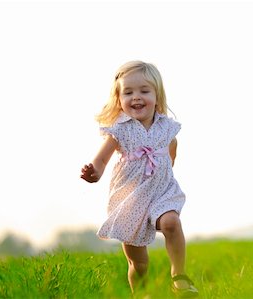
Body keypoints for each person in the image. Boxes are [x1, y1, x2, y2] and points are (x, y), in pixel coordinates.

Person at [80, 60, 198, 298]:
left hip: (161, 193)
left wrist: (162, 172)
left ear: (157, 95)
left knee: (171, 223)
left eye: (144, 91)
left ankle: (179, 276)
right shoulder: (120, 130)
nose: (136, 97)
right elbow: (101, 160)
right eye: (128, 92)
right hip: (130, 199)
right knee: (139, 264)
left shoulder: (167, 128)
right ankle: (142, 295)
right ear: (119, 98)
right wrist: (94, 172)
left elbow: (170, 154)